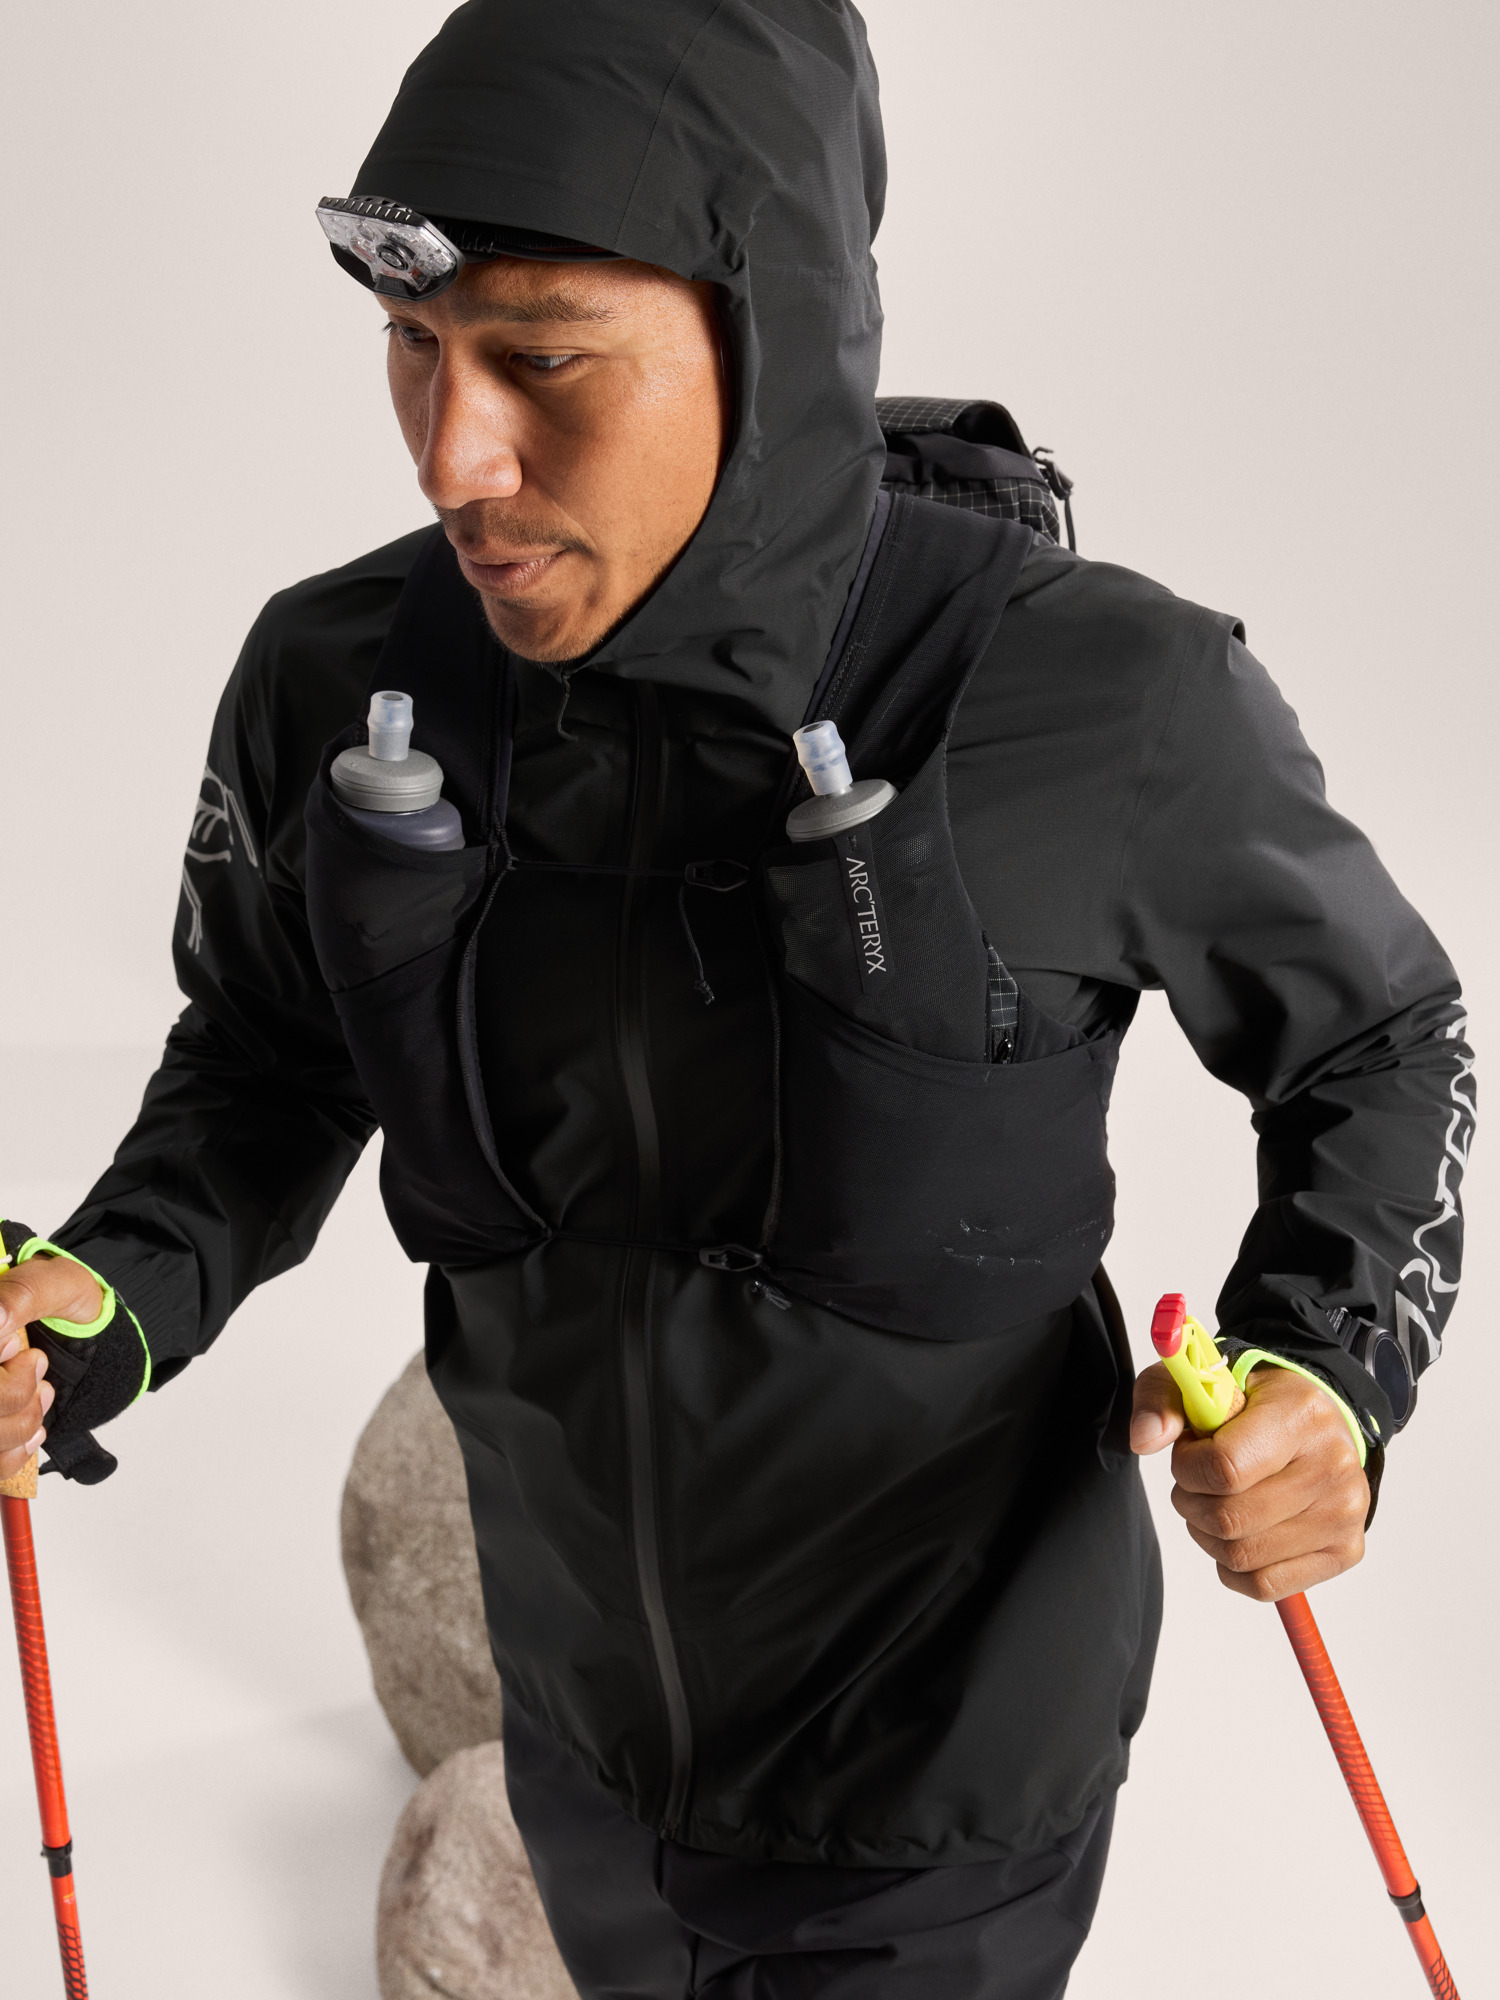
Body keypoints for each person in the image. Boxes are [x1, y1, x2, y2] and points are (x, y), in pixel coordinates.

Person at [0, 2, 1472, 1993]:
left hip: (946, 1793)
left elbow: (1382, 1038)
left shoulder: (1099, 696)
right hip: (585, 1735)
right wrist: (110, 1290)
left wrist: (1329, 1365)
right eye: (415, 348)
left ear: (768, 335)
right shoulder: (339, 680)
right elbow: (268, 1054)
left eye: (543, 359)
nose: (455, 453)